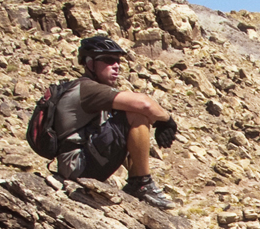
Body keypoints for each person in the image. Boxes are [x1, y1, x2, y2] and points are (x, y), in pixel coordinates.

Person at [53, 35, 178, 209]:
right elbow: (144, 103)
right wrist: (167, 121)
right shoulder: (87, 88)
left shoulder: (93, 90)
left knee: (129, 116)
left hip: (78, 163)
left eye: (118, 61)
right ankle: (141, 184)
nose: (116, 66)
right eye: (108, 60)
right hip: (78, 165)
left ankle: (138, 181)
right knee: (136, 115)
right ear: (90, 63)